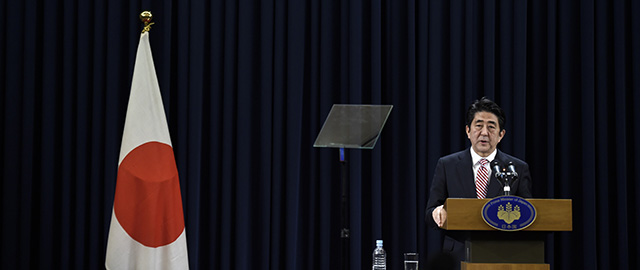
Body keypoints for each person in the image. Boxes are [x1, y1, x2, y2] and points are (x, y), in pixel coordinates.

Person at [425, 97, 532, 267]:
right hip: (458, 257)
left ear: (501, 134)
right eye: (478, 125)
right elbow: (430, 213)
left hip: (503, 257)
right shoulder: (447, 165)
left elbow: (529, 214)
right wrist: (437, 212)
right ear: (468, 131)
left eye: (491, 127)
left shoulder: (517, 168)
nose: (484, 133)